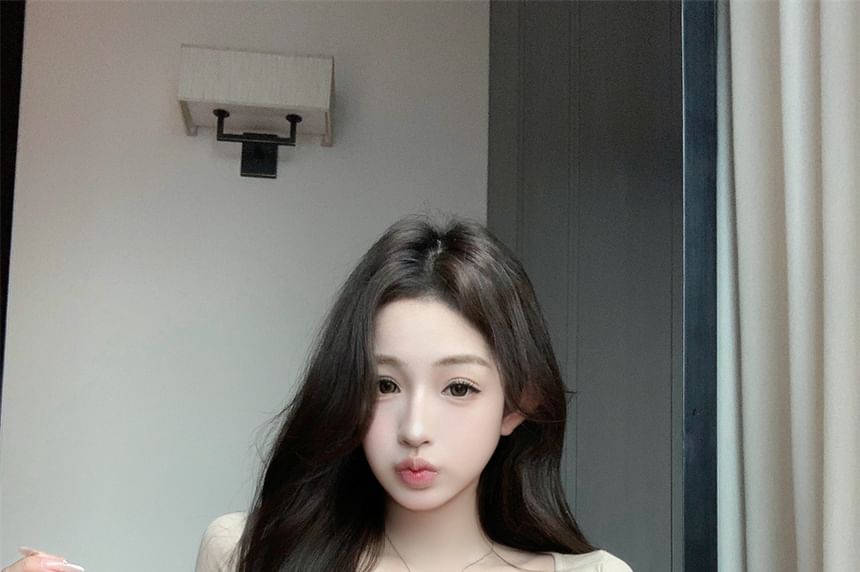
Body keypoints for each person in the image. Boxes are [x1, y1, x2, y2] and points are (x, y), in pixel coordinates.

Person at [195, 216, 632, 572]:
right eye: (384, 385)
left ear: (518, 405)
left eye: (458, 387)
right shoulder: (244, 553)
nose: (415, 429)